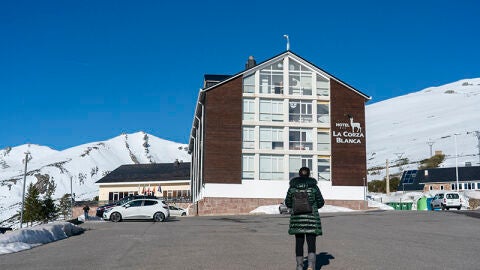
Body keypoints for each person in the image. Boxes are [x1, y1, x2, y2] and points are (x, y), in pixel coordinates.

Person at [285, 167, 325, 270]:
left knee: (299, 243)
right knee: (311, 243)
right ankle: (311, 266)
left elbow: (288, 203)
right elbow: (321, 202)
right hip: (311, 218)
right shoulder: (314, 187)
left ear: (299, 174)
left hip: (297, 219)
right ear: (308, 174)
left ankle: (299, 266)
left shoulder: (292, 187)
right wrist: (314, 206)